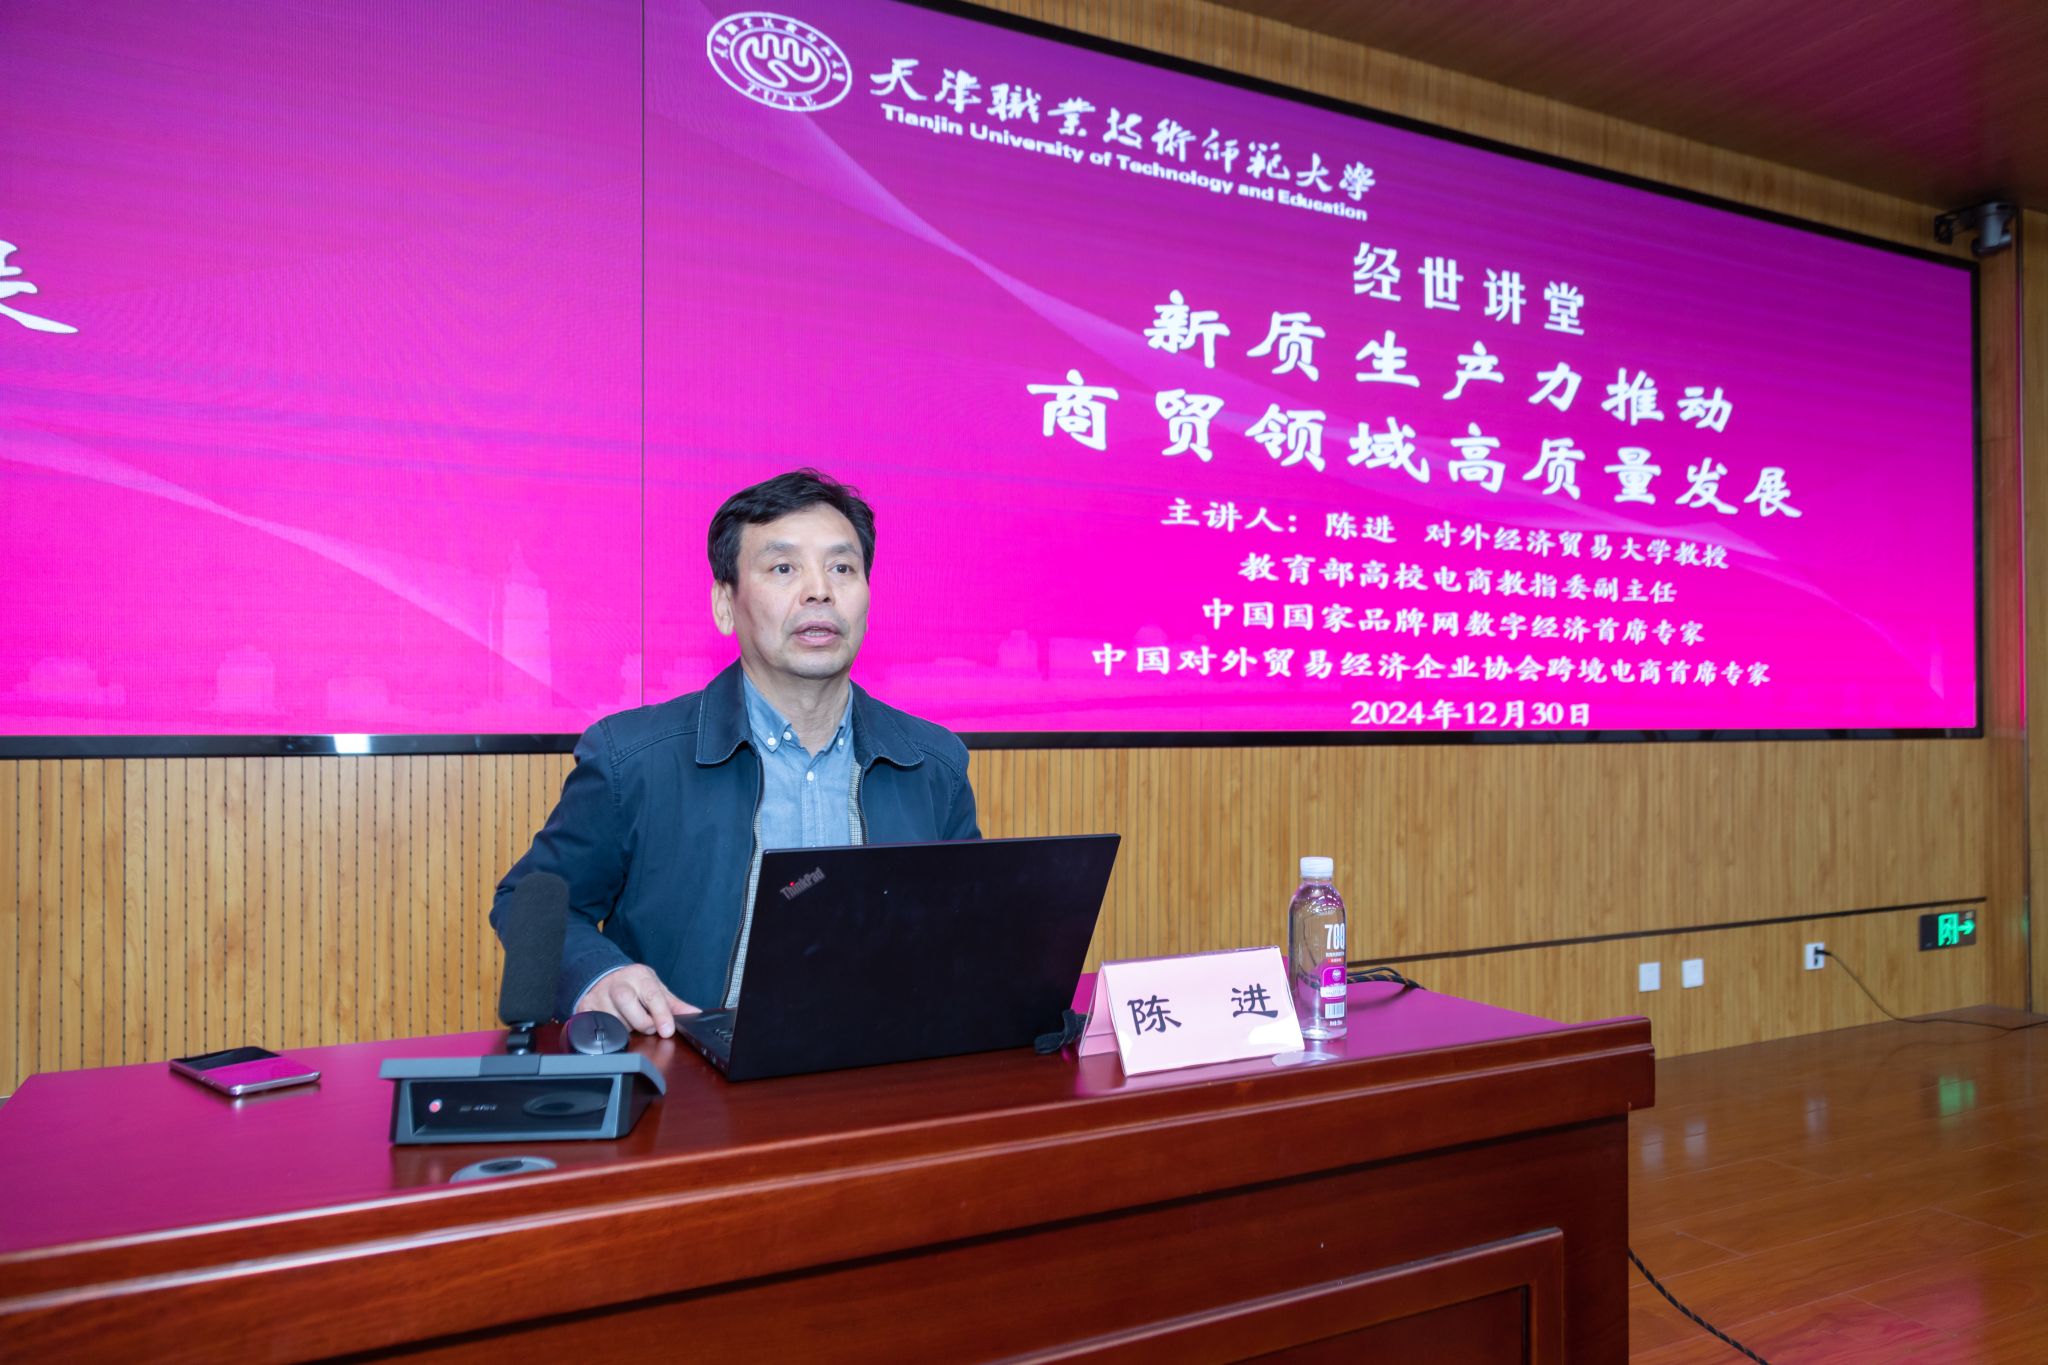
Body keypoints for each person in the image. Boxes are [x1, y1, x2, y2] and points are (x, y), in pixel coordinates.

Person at [491, 469, 980, 1034]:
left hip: (889, 1063)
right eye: (783, 568)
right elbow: (530, 900)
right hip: (691, 1068)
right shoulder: (633, 760)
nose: (819, 591)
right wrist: (599, 974)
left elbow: (970, 928)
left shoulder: (933, 764)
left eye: (842, 568)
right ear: (725, 604)